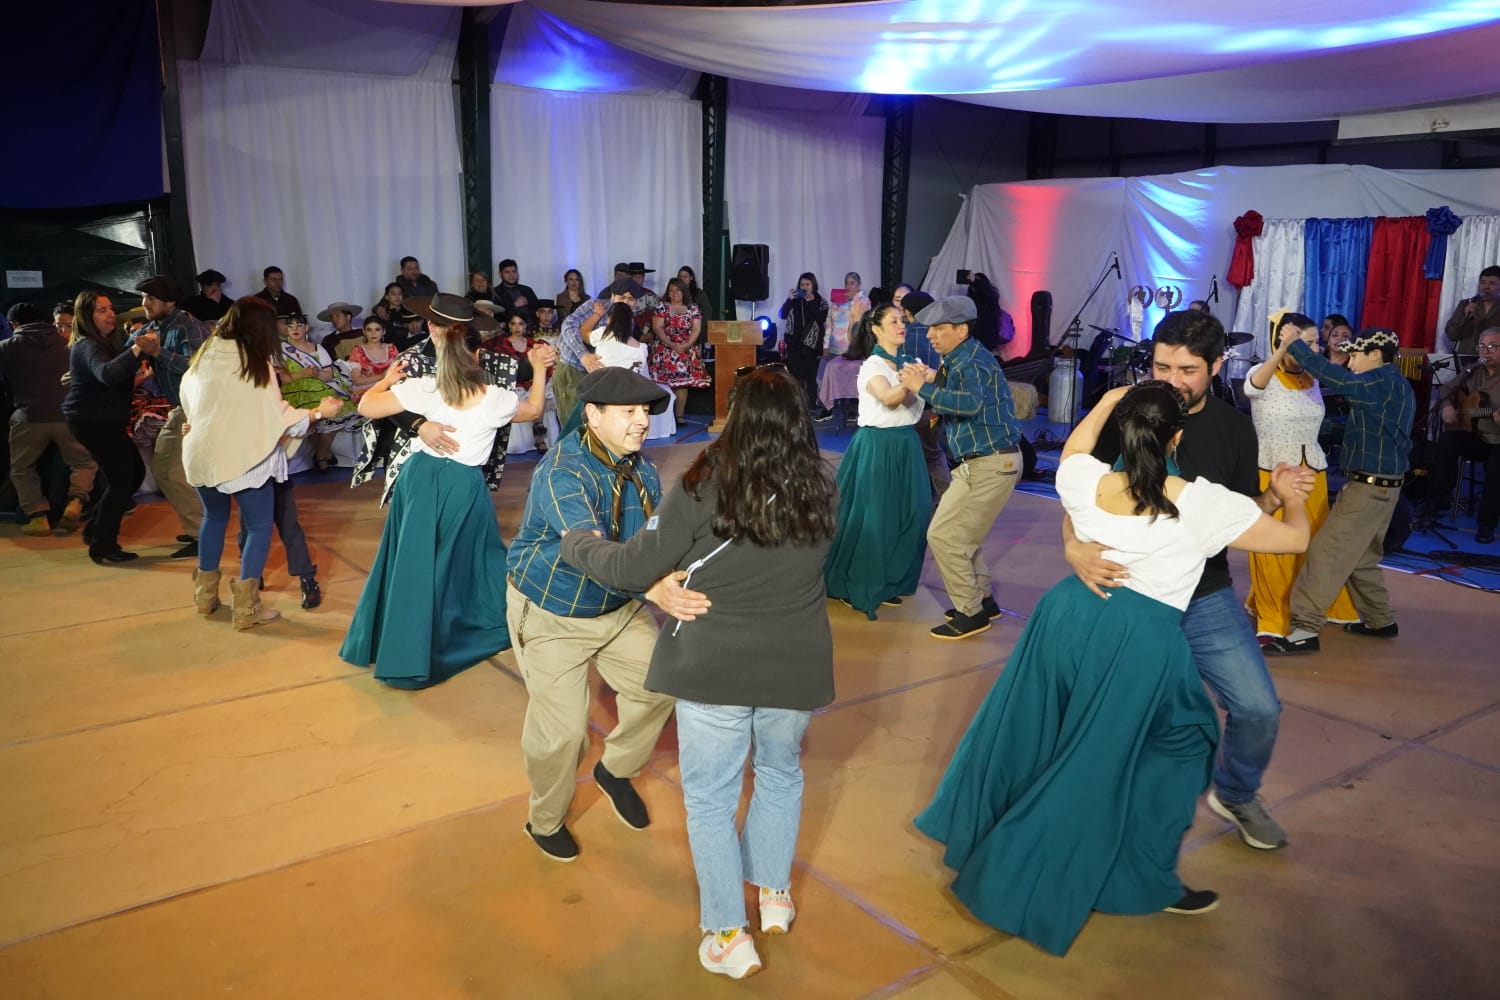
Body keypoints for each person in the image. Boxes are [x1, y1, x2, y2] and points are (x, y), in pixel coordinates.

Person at [916, 381, 1310, 957]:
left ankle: (1107, 863)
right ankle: (1103, 874)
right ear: (1177, 436)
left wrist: (1105, 403)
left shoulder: (1083, 479)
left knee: (1046, 738)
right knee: (1164, 749)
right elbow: (1294, 541)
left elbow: (1077, 446)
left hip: (1068, 617)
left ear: (1123, 430)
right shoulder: (1198, 501)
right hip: (1137, 636)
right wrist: (1288, 494)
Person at [561, 366, 836, 980]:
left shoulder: (701, 484)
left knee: (710, 798)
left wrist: (576, 543)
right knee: (781, 773)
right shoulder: (825, 482)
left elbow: (636, 564)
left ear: (735, 416)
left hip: (715, 663)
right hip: (795, 662)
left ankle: (727, 935)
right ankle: (773, 896)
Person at [1064, 309, 1311, 850]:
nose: (1172, 380)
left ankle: (1238, 792)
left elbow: (1242, 507)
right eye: (1161, 365)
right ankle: (1107, 822)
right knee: (1123, 717)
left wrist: (1278, 498)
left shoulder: (1233, 426)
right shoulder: (1131, 415)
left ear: (1217, 365)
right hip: (1129, 589)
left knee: (1258, 707)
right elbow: (1080, 487)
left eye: (1187, 370)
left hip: (1204, 593)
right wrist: (1074, 546)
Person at [506, 367, 701, 863]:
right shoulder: (563, 471)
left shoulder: (642, 469)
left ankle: (614, 770)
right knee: (563, 735)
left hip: (615, 606)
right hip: (554, 613)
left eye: (645, 412)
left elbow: (658, 537)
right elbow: (585, 548)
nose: (642, 422)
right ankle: (543, 820)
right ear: (592, 415)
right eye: (629, 412)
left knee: (662, 686)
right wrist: (653, 587)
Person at [341, 299, 551, 688]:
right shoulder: (494, 397)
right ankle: (441, 637)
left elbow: (368, 406)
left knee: (412, 563)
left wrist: (386, 379)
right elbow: (536, 409)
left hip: (417, 479)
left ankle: (396, 644)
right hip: (461, 484)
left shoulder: (425, 388)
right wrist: (539, 370)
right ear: (476, 354)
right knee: (466, 560)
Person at [179, 298, 342, 629]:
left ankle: (205, 596)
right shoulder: (253, 363)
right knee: (258, 527)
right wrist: (318, 413)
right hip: (243, 457)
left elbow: (189, 399)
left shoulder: (206, 355)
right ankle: (247, 608)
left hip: (200, 451)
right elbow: (276, 416)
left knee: (213, 518)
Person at [1278, 328, 1417, 652]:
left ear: (1375, 355)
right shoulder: (1397, 383)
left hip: (1367, 489)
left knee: (1326, 552)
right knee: (1362, 559)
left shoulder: (1377, 381)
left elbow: (1335, 378)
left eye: (1355, 356)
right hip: (1387, 488)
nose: (1350, 363)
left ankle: (1303, 631)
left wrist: (1295, 345)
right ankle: (1380, 620)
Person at [896, 296, 1022, 639]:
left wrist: (921, 386)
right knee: (960, 536)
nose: (932, 335)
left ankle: (971, 612)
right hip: (979, 463)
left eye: (939, 329)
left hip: (991, 462)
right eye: (931, 329)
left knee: (945, 537)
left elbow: (969, 402)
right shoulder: (963, 357)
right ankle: (982, 601)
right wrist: (935, 379)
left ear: (961, 329)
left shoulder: (969, 363)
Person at [1243, 312, 1359, 651]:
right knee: (1273, 547)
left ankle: (1314, 605)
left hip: (1314, 472)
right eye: (1305, 344)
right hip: (1276, 474)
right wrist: (1282, 349)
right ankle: (1272, 615)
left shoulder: (1311, 376)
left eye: (1314, 343)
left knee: (1316, 545)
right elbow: (1251, 389)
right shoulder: (1262, 373)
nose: (1313, 349)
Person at [349, 297, 533, 508]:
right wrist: (420, 426)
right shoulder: (411, 358)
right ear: (431, 326)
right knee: (417, 508)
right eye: (448, 328)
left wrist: (536, 362)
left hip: (464, 449)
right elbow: (390, 401)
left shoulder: (473, 353)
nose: (454, 335)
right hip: (418, 447)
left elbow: (507, 370)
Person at [825, 304, 931, 618]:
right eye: (894, 321)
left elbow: (934, 387)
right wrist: (915, 381)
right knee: (875, 518)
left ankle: (889, 580)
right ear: (876, 329)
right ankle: (856, 581)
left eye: (903, 320)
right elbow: (888, 398)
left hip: (907, 444)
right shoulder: (873, 365)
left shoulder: (911, 362)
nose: (901, 325)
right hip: (878, 446)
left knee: (912, 514)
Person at [62, 290, 149, 565]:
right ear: (87, 316)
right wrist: (137, 349)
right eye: (102, 310)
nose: (111, 314)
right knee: (122, 480)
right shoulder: (88, 344)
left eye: (111, 308)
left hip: (101, 419)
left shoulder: (102, 343)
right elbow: (108, 374)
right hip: (92, 420)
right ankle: (103, 545)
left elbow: (108, 376)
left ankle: (96, 529)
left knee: (134, 474)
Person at [133, 275, 210, 559]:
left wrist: (158, 353)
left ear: (170, 301)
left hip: (194, 408)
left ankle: (203, 533)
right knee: (165, 470)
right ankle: (198, 530)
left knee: (172, 472)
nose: (144, 304)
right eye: (143, 298)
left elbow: (199, 367)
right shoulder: (154, 327)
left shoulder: (189, 325)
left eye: (150, 299)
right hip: (179, 407)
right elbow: (121, 355)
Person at [1, 302, 95, 536]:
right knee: (83, 462)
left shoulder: (6, 347)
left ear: (14, 324)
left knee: (22, 467)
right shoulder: (70, 343)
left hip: (28, 417)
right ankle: (76, 501)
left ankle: (38, 517)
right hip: (67, 416)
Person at [1420, 326, 1500, 543]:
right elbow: (1446, 389)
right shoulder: (1473, 371)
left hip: (1497, 440)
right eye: (1482, 346)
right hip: (1474, 434)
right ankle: (1439, 499)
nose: (1486, 351)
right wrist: (1446, 405)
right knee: (1447, 441)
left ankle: (1487, 523)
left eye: (1493, 346)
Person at [276, 312, 363, 470]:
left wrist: (316, 374)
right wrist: (301, 374)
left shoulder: (317, 348)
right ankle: (323, 456)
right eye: (291, 326)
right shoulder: (281, 351)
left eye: (299, 325)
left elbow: (328, 374)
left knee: (334, 414)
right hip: (294, 392)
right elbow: (281, 379)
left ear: (306, 328)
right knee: (309, 423)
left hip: (320, 388)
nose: (295, 329)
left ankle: (321, 454)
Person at [898, 290, 952, 499]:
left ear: (910, 312)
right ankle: (944, 499)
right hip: (934, 406)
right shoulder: (941, 332)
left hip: (909, 402)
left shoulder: (905, 333)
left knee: (916, 454)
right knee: (933, 452)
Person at [649, 278, 709, 421]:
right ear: (668, 293)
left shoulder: (692, 308)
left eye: (678, 290)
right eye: (671, 290)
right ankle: (663, 418)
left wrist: (686, 345)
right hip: (665, 349)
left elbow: (697, 329)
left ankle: (679, 415)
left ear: (683, 292)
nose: (675, 293)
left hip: (685, 350)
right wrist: (672, 344)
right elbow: (657, 328)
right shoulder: (662, 307)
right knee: (663, 384)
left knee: (683, 384)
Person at [779, 273, 829, 417]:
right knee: (795, 378)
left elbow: (822, 319)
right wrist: (789, 300)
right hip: (794, 345)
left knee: (811, 378)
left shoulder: (821, 302)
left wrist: (811, 303)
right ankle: (796, 408)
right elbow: (782, 314)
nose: (804, 287)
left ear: (813, 285)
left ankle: (811, 407)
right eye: (802, 285)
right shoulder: (795, 300)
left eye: (808, 284)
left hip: (812, 346)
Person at [1442, 265, 1500, 357]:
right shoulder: (1466, 304)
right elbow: (1452, 335)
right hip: (1467, 359)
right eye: (1483, 282)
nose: (1486, 287)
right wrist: (1465, 317)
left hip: (1495, 362)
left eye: (1492, 283)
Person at [347, 316, 396, 396]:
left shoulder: (391, 348)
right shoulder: (358, 351)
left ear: (384, 331)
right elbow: (356, 380)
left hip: (390, 389)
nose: (373, 333)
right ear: (364, 331)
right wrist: (382, 376)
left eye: (377, 329)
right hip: (366, 393)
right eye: (369, 330)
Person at [825, 271, 870, 358]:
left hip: (853, 349)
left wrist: (852, 301)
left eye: (852, 283)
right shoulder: (836, 300)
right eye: (847, 284)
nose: (849, 287)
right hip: (834, 349)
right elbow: (828, 325)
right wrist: (826, 346)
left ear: (859, 285)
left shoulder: (864, 301)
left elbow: (865, 325)